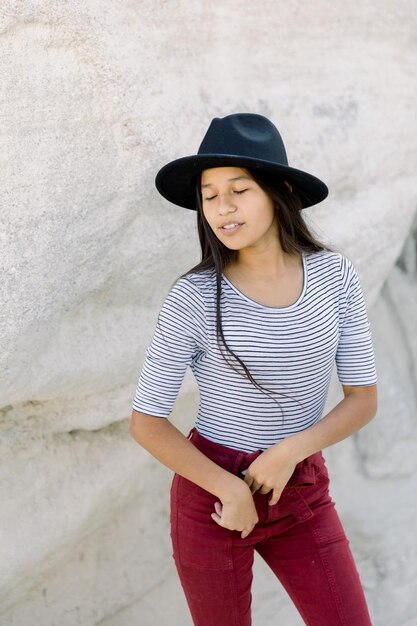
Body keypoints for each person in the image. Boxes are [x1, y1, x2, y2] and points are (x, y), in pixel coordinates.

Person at [130, 113, 378, 626]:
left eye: (238, 190)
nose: (222, 209)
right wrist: (230, 488)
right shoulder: (193, 298)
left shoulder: (335, 275)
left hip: (301, 491)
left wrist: (288, 452)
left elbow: (362, 399)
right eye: (209, 194)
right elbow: (147, 422)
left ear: (279, 190)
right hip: (214, 498)